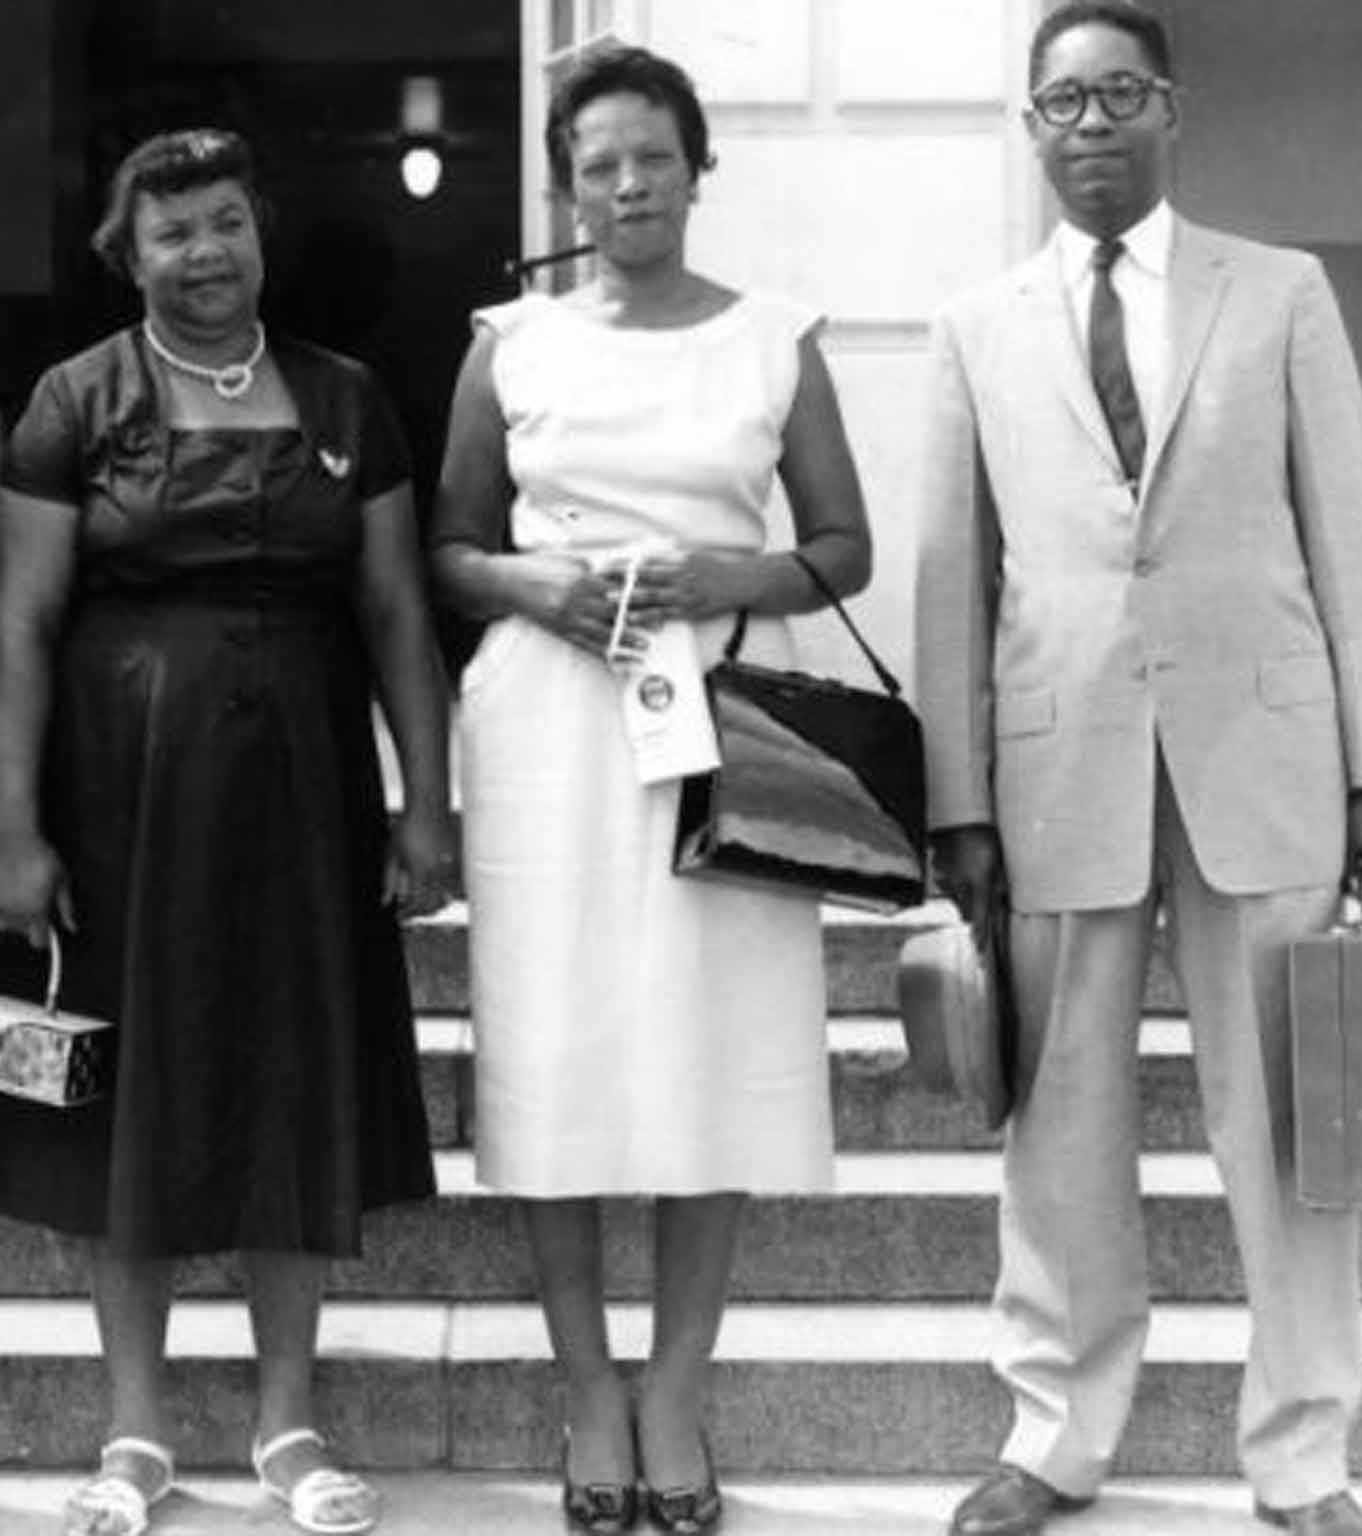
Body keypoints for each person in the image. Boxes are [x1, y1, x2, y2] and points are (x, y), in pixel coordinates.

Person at [913, 5, 1362, 1535]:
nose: (1093, 125)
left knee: (1294, 1134)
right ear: (1032, 130)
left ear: (1171, 112)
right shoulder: (973, 326)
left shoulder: (1281, 293)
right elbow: (951, 583)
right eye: (1063, 103)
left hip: (1262, 767)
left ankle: (1305, 1453)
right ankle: (1055, 1434)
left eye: (1121, 94)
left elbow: (1345, 539)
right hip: (1061, 783)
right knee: (1058, 1132)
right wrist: (959, 803)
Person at [0, 128, 450, 1536]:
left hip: (307, 800)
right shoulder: (71, 401)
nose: (206, 253)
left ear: (261, 234)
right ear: (131, 252)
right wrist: (15, 831)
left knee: (299, 1089)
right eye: (174, 232)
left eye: (227, 222)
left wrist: (428, 806)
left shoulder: (350, 399)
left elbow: (400, 611)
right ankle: (136, 1434)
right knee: (126, 1105)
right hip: (123, 803)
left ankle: (289, 1424)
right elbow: (27, 625)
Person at [429, 46, 873, 1536]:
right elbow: (447, 546)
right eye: (601, 163)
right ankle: (587, 1391)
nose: (630, 186)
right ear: (568, 181)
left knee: (716, 1048)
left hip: (729, 709)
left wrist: (731, 570)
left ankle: (676, 1390)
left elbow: (843, 544)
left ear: (699, 169)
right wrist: (533, 585)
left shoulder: (775, 338)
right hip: (553, 712)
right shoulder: (513, 340)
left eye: (655, 159)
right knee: (555, 1049)